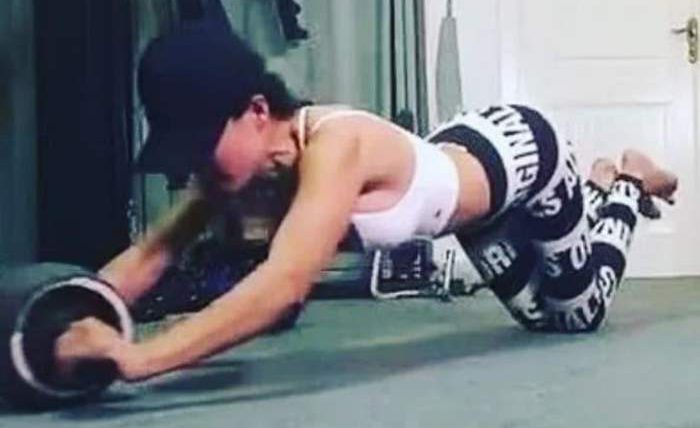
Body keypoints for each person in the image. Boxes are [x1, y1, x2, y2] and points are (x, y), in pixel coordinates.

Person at [54, 25, 678, 382]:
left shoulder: (335, 149)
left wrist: (140, 358)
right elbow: (153, 253)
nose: (195, 168)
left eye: (201, 144)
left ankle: (623, 180)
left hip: (527, 157)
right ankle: (604, 190)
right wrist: (68, 312)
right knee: (540, 318)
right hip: (471, 198)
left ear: (257, 111)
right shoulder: (235, 172)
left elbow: (284, 285)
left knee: (577, 314)